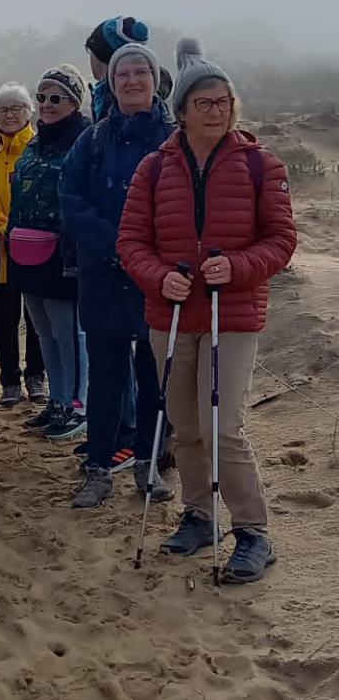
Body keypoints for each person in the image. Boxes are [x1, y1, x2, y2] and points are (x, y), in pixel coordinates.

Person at [118, 39, 296, 583]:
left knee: (223, 427)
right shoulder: (153, 169)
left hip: (233, 314)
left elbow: (282, 240)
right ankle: (199, 515)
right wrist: (158, 277)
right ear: (183, 111)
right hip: (169, 317)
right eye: (204, 103)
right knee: (184, 425)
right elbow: (131, 242)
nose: (216, 111)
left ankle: (253, 532)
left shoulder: (261, 165)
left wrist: (238, 267)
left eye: (223, 101)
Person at [60, 43, 174, 508]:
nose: (131, 80)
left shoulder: (174, 137)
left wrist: (146, 253)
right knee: (106, 376)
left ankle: (149, 464)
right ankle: (99, 468)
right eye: (122, 73)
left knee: (154, 374)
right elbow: (71, 199)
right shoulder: (92, 139)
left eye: (140, 72)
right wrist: (117, 244)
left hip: (157, 276)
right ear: (111, 83)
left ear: (154, 79)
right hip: (103, 273)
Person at [5, 67, 91, 438]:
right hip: (27, 252)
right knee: (42, 332)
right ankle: (56, 400)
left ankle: (77, 403)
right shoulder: (34, 143)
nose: (46, 104)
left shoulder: (84, 140)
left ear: (74, 102)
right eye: (41, 97)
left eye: (56, 98)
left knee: (68, 331)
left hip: (64, 255)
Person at [0, 85, 46, 408]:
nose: (10, 114)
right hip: (2, 252)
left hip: (37, 250)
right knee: (4, 319)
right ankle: (9, 381)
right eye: (3, 109)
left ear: (29, 111)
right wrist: (6, 229)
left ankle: (36, 375)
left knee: (36, 319)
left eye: (16, 107)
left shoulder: (41, 150)